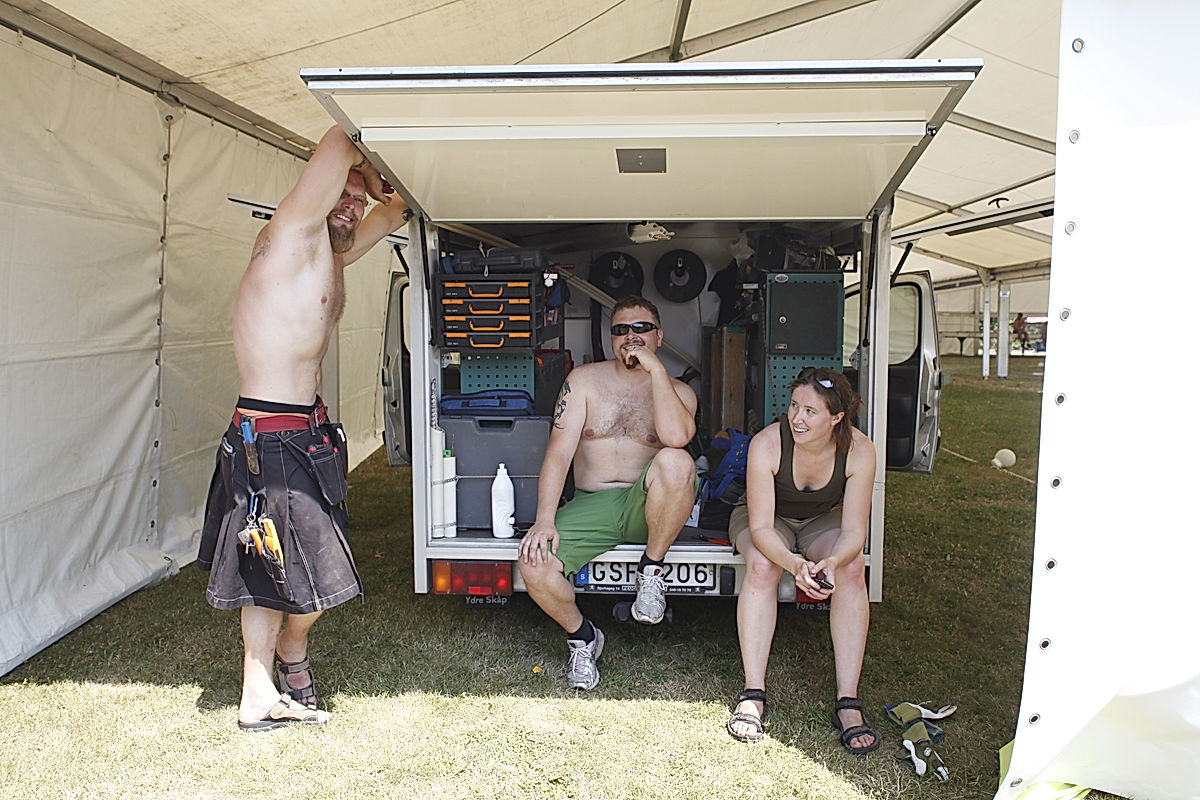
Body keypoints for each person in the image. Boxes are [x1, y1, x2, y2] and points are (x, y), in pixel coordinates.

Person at [197, 126, 412, 731]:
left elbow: (396, 210)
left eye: (356, 200)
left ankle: (289, 655)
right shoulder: (290, 232)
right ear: (314, 194)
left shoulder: (333, 250)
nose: (352, 205)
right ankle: (259, 691)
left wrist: (378, 195)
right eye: (341, 195)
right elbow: (340, 138)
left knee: (314, 563)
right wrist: (364, 174)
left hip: (305, 434)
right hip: (268, 436)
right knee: (267, 566)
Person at [518, 296, 698, 690]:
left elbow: (677, 437)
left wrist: (654, 370)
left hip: (649, 509)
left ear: (659, 335)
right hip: (592, 503)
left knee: (677, 461)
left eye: (641, 329)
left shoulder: (679, 391)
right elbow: (559, 452)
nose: (630, 338)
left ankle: (651, 571)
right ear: (610, 337)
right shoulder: (583, 381)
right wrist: (544, 519)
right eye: (620, 330)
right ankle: (583, 638)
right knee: (534, 564)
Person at [725, 367, 880, 755]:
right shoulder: (768, 443)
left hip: (820, 520)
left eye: (810, 411)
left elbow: (853, 533)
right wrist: (795, 566)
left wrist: (831, 562)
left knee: (851, 568)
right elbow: (761, 528)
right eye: (794, 406)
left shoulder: (860, 449)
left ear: (837, 418)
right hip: (764, 516)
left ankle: (848, 702)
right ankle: (753, 693)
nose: (797, 418)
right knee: (762, 565)